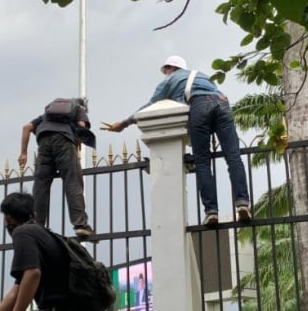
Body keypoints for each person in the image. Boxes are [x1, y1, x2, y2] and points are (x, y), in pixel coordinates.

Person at [107, 55, 252, 226]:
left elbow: (150, 106)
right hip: (222, 104)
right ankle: (243, 203)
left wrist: (125, 123)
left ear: (170, 68)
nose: (165, 73)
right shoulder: (202, 76)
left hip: (200, 106)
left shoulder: (169, 81)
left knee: (203, 162)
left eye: (166, 70)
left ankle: (211, 211)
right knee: (233, 156)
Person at [18, 98, 94, 237]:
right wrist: (77, 142)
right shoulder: (79, 109)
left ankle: (36, 226)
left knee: (41, 186)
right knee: (72, 181)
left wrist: (24, 153)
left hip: (43, 143)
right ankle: (80, 224)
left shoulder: (45, 116)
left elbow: (26, 127)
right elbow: (81, 126)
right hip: (63, 142)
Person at [0, 192, 70, 311]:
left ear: (8, 218)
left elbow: (32, 273)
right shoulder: (38, 234)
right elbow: (16, 290)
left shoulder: (22, 232)